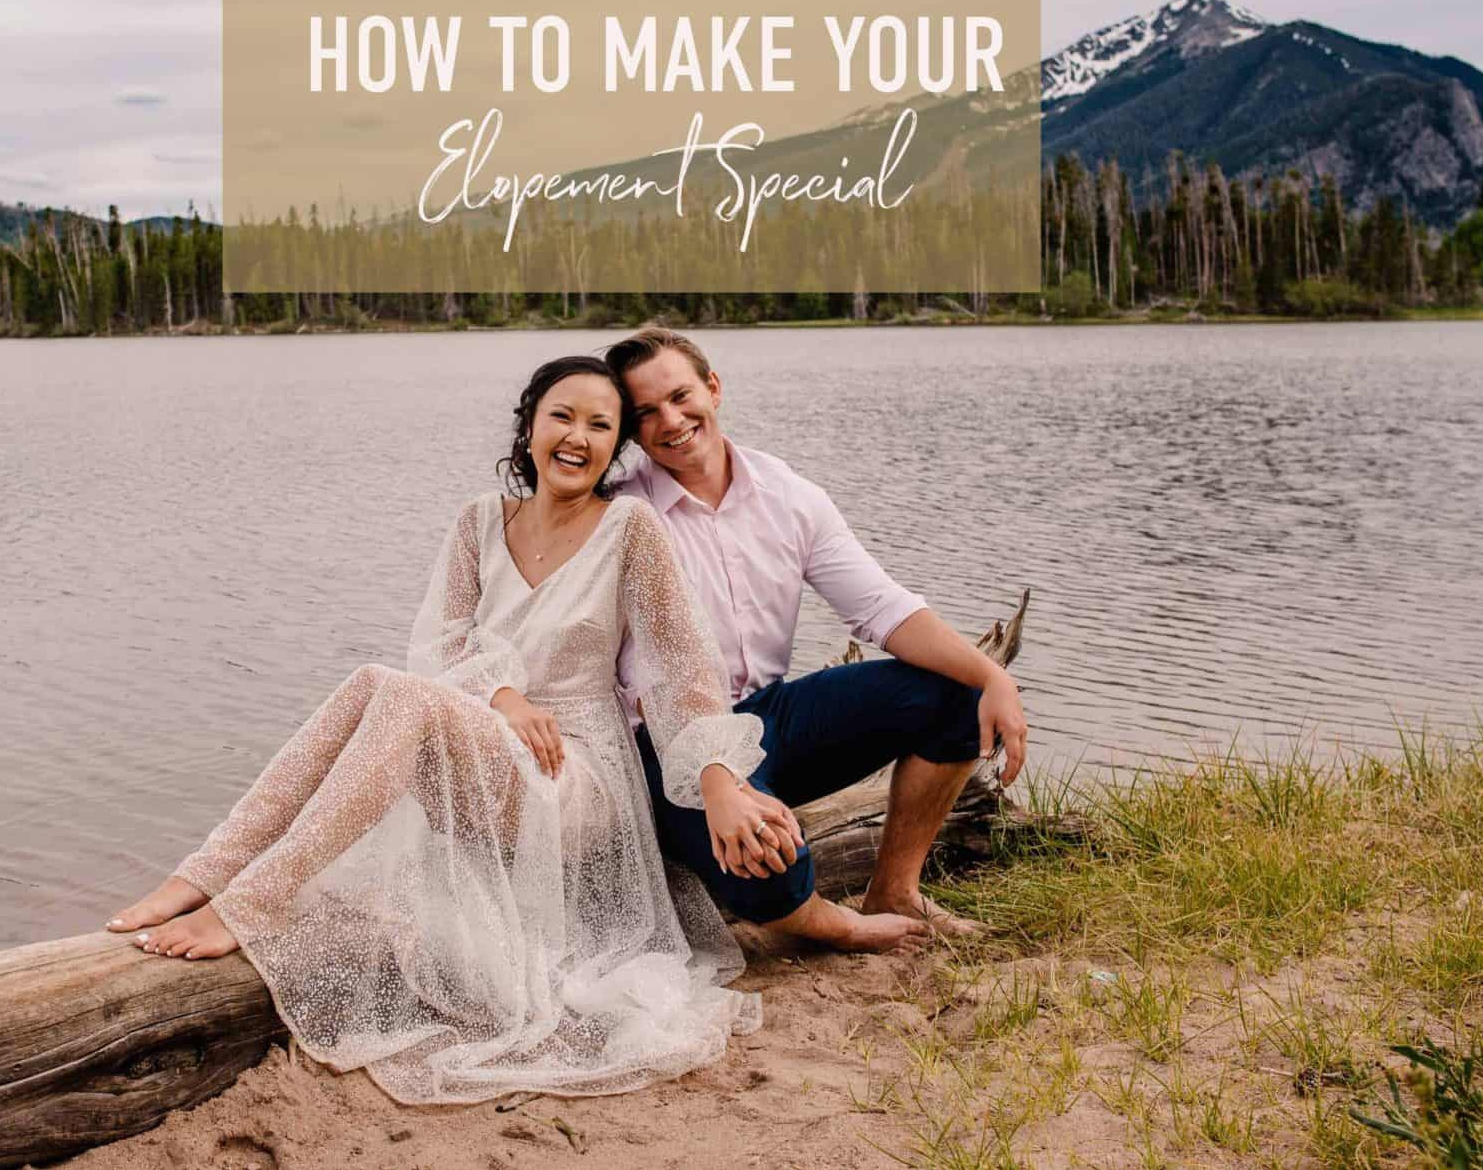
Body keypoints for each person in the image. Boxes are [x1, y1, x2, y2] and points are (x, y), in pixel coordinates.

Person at [101, 356, 891, 1105]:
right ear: (528, 427)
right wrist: (505, 695)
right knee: (377, 684)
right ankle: (205, 874)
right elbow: (438, 649)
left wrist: (720, 779)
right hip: (487, 745)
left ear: (616, 445)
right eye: (562, 416)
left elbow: (686, 673)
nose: (578, 436)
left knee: (395, 695)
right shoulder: (479, 522)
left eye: (600, 424)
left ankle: (246, 903)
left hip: (575, 778)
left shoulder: (632, 529)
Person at [604, 327, 1030, 947]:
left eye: (679, 396)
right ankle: (827, 923)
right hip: (673, 745)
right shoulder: (622, 516)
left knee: (956, 698)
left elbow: (881, 608)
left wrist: (993, 676)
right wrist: (723, 782)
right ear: (632, 430)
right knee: (773, 869)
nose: (670, 420)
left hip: (771, 715)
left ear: (713, 388)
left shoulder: (788, 494)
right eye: (645, 412)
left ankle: (896, 891)